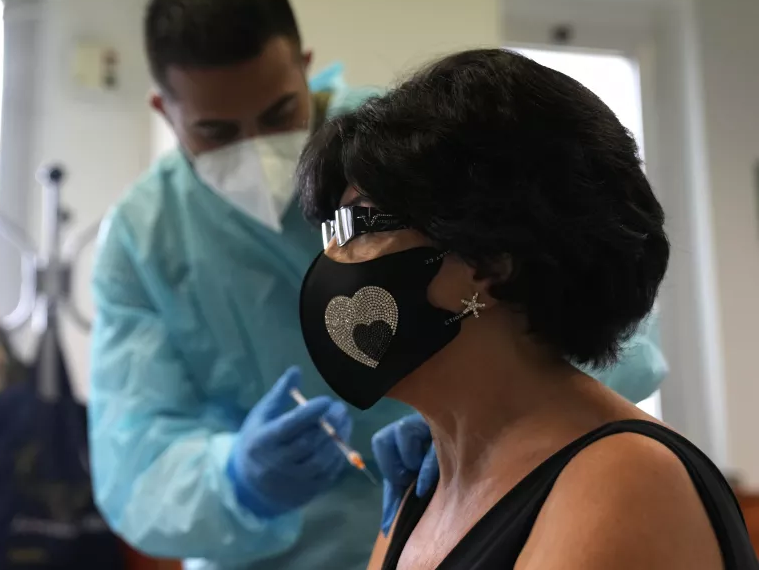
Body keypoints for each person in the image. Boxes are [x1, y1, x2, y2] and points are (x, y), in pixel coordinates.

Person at [88, 0, 669, 569]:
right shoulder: (144, 239)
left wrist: (490, 430)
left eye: (279, 112)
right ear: (165, 110)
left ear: (304, 67)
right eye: (217, 131)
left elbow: (606, 323)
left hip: (482, 512)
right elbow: (137, 461)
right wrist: (238, 477)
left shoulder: (395, 154)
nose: (257, 148)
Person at [296, 48, 757, 570]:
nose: (332, 259)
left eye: (365, 223)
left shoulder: (623, 480)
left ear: (493, 262)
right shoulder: (422, 491)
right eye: (333, 229)